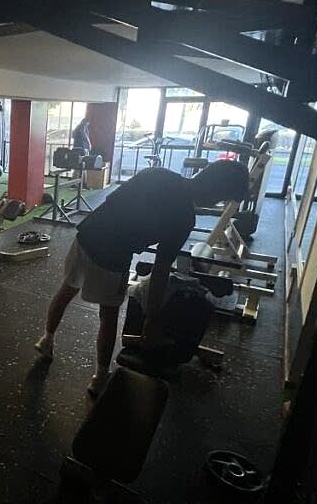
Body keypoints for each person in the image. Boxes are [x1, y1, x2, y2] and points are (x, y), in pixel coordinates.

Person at [33, 160, 250, 397]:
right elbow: (160, 269)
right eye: (221, 198)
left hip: (87, 235)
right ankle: (101, 377)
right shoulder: (184, 218)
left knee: (67, 289)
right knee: (108, 316)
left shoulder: (157, 174)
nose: (217, 203)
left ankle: (46, 339)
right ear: (214, 190)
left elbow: (112, 201)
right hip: (113, 255)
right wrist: (152, 319)